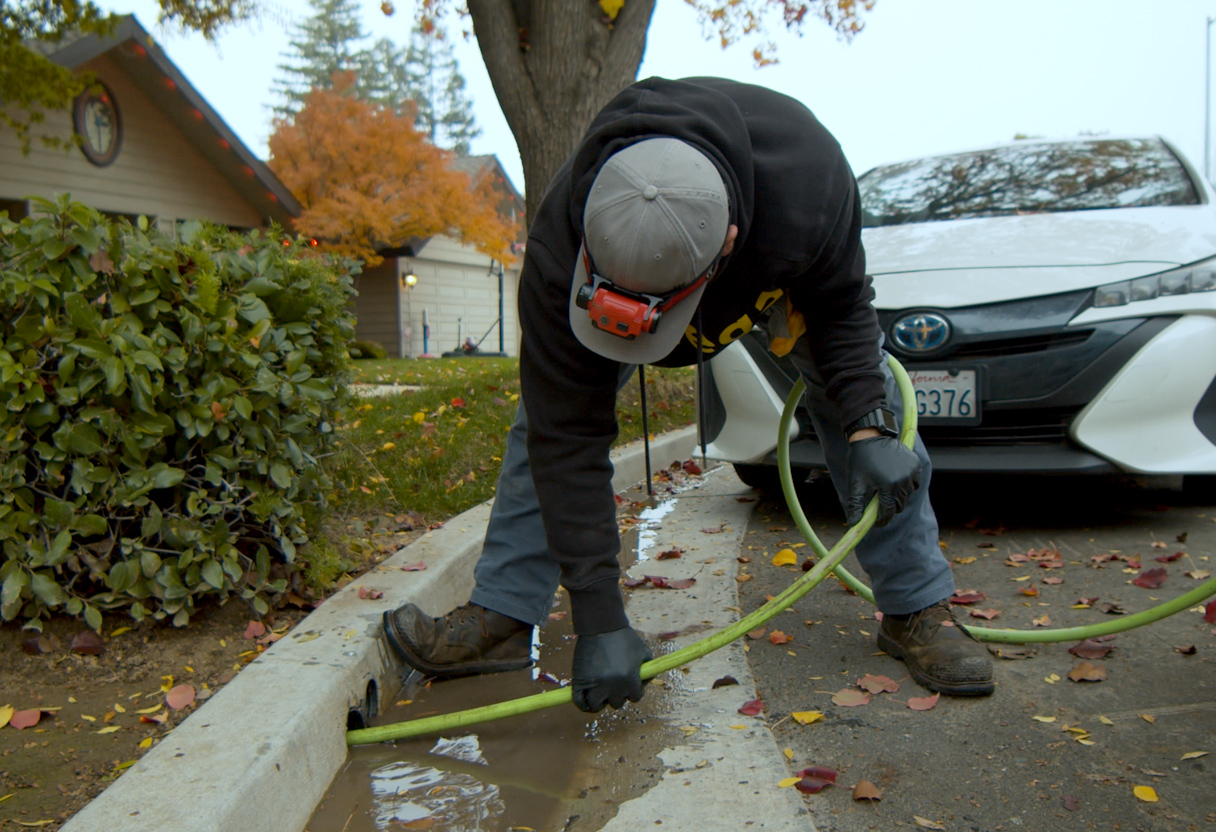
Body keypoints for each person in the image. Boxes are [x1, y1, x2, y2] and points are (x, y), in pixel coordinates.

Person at [383, 77, 994, 713]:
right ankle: (506, 612)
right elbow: (566, 437)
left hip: (775, 281)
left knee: (865, 412)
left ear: (728, 241)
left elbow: (842, 308)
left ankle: (916, 605)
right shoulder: (558, 245)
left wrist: (869, 425)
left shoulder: (808, 181)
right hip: (612, 289)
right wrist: (598, 617)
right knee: (540, 419)